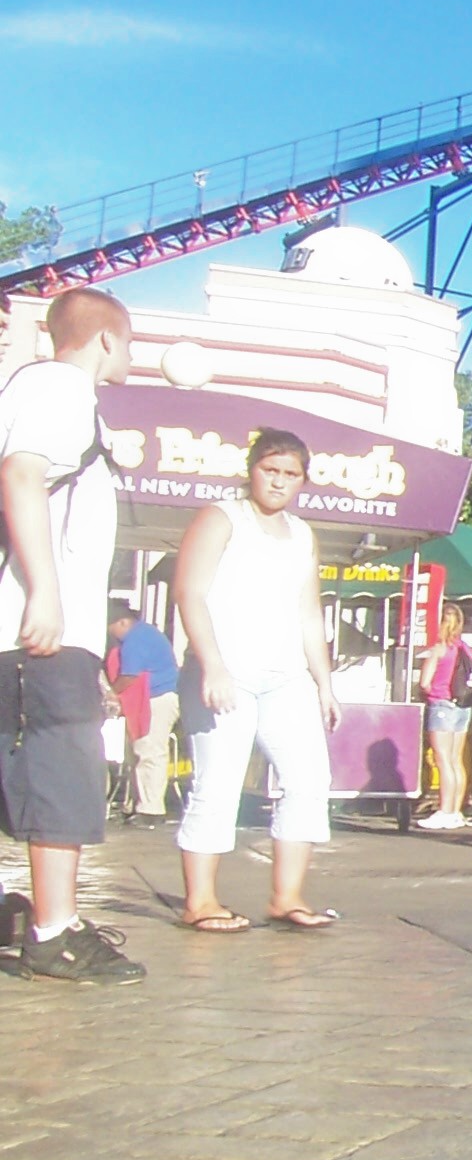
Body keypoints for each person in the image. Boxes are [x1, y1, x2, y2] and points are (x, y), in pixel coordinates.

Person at [0, 288, 142, 981]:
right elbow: (21, 475)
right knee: (62, 773)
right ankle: (53, 933)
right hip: (35, 630)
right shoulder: (58, 386)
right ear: (106, 341)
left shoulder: (40, 392)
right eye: (129, 342)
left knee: (39, 771)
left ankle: (40, 920)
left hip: (40, 635)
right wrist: (47, 595)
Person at [173, 428, 341, 931]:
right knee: (219, 784)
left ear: (303, 481)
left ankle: (286, 897)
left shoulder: (303, 535)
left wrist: (325, 684)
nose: (280, 482)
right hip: (226, 672)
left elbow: (310, 614)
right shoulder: (222, 517)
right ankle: (199, 901)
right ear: (252, 469)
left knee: (310, 780)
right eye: (271, 470)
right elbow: (190, 593)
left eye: (291, 474)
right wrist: (213, 665)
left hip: (286, 675)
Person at [107, 602, 181, 824]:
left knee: (150, 752)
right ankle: (139, 803)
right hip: (155, 698)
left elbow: (129, 674)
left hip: (158, 699)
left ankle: (151, 810)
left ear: (123, 622)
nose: (112, 634)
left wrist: (111, 693)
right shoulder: (146, 633)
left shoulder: (135, 639)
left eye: (112, 628)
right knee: (140, 752)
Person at [415, 601, 472, 830]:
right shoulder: (465, 649)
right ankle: (455, 810)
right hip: (463, 705)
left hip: (441, 704)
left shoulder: (439, 648)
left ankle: (445, 809)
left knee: (442, 761)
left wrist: (428, 689)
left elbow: (425, 682)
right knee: (455, 760)